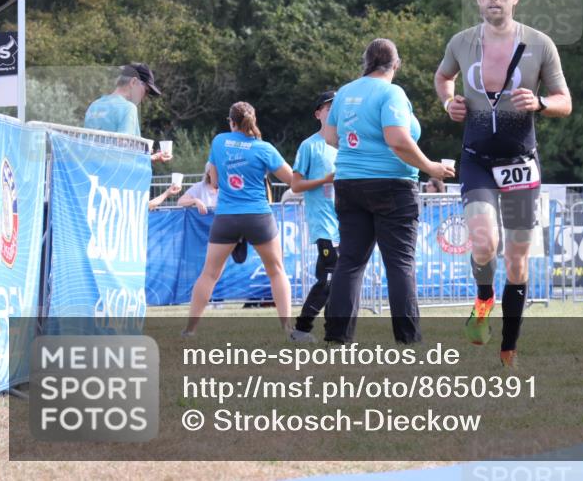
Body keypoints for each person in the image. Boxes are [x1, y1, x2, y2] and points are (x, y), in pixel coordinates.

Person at [434, 0, 572, 367]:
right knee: (483, 244)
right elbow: (443, 78)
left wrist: (542, 103)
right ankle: (482, 298)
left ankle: (508, 347)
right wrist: (448, 101)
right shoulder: (461, 43)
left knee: (516, 260)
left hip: (521, 164)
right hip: (476, 160)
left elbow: (564, 100)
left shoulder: (540, 44)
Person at [325, 39, 454, 345]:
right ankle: (408, 339)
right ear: (396, 65)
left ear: (365, 62)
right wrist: (430, 167)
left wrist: (360, 153)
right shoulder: (391, 93)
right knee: (399, 263)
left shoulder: (345, 92)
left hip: (348, 183)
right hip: (392, 186)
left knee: (350, 262)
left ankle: (337, 336)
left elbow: (330, 137)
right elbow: (397, 139)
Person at [183, 101, 295, 336]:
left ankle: (190, 330)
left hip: (227, 217)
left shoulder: (219, 141)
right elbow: (292, 180)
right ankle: (287, 328)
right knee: (276, 271)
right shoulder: (264, 148)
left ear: (232, 122)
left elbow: (213, 183)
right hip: (258, 216)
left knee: (209, 273)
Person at [289, 91, 340, 344]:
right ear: (318, 113)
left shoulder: (350, 143)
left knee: (339, 281)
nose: (334, 112)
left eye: (338, 107)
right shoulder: (310, 146)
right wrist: (324, 180)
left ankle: (334, 331)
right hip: (324, 224)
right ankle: (301, 328)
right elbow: (296, 185)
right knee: (329, 277)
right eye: (329, 107)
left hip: (348, 224)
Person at [84, 63, 171, 163]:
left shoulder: (94, 105)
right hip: (114, 174)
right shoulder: (128, 108)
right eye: (146, 90)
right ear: (133, 82)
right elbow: (124, 150)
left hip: (90, 171)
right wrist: (150, 157)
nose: (144, 97)